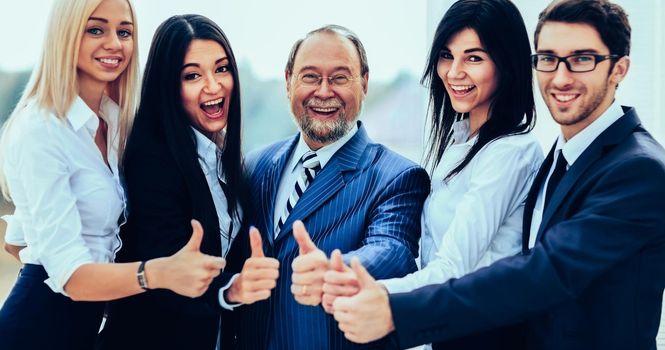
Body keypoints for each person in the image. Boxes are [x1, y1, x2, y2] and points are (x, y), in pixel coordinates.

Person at [330, 1, 665, 349]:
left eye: (582, 59)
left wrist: (391, 307)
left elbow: (544, 272)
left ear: (619, 69)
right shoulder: (559, 157)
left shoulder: (638, 169)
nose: (561, 77)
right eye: (548, 59)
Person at [0, 1, 225, 349]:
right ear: (66, 36)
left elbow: (19, 238)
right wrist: (159, 273)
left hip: (83, 329)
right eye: (96, 30)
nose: (115, 44)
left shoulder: (115, 121)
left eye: (124, 32)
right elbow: (69, 276)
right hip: (36, 329)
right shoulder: (41, 129)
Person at [323, 0, 542, 348]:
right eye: (446, 55)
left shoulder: (510, 152)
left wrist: (373, 290)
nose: (454, 72)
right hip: (450, 331)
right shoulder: (463, 140)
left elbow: (453, 267)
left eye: (474, 57)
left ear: (507, 64)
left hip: (485, 337)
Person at [225, 25, 430, 349]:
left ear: (363, 82)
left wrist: (336, 269)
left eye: (339, 77)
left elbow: (392, 250)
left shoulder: (397, 176)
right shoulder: (255, 165)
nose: (323, 91)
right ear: (288, 81)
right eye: (310, 77)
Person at [95, 14, 278, 349]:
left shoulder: (221, 157)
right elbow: (169, 275)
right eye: (192, 75)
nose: (213, 85)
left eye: (221, 69)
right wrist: (231, 289)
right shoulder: (150, 159)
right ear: (169, 87)